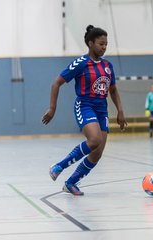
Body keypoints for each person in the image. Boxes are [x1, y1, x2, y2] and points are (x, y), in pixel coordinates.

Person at [42, 25, 127, 196]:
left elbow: (113, 90)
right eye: (101, 44)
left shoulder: (107, 65)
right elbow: (56, 83)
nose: (104, 47)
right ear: (90, 43)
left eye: (106, 44)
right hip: (85, 105)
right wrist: (52, 108)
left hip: (102, 109)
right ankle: (59, 166)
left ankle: (71, 182)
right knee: (94, 139)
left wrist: (120, 111)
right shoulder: (81, 63)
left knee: (97, 153)